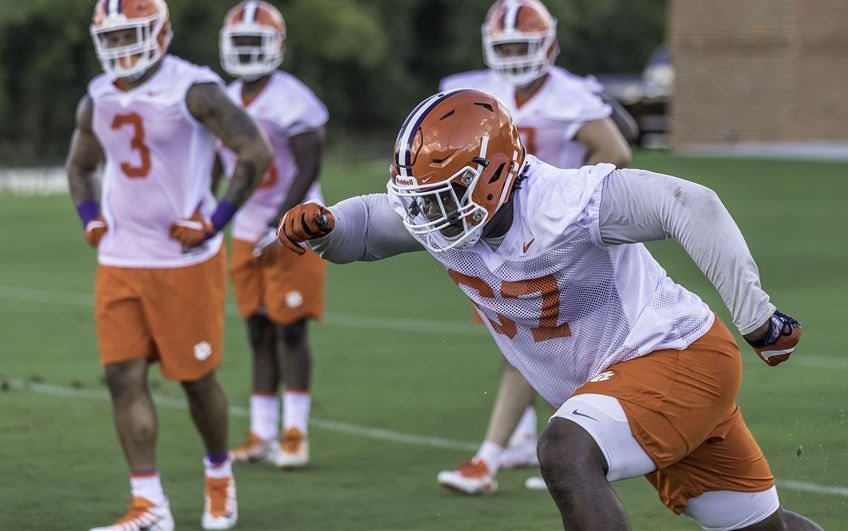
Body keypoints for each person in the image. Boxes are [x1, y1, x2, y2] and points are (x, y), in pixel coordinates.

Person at [276, 89, 820, 530]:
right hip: (630, 381)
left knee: (565, 451)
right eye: (423, 200)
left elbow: (691, 205)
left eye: (442, 197)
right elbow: (371, 225)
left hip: (675, 355)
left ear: (492, 176)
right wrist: (326, 227)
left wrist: (758, 317)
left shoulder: (566, 202)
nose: (429, 217)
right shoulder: (445, 212)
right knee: (759, 530)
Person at [66, 0, 272, 531]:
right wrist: (92, 218)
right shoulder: (99, 95)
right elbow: (80, 165)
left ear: (159, 32)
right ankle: (149, 504)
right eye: (111, 38)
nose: (122, 48)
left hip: (182, 261)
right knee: (121, 376)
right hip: (119, 259)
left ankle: (218, 476)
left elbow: (256, 148)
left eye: (132, 35)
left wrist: (215, 222)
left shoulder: (195, 89)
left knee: (197, 380)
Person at [436, 0, 632, 494]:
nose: (515, 57)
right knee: (537, 348)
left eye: (524, 45)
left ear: (549, 44)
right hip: (501, 239)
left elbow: (615, 150)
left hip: (553, 242)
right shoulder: (479, 91)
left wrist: (566, 205)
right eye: (507, 46)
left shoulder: (569, 96)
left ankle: (493, 458)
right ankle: (560, 450)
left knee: (533, 347)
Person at [217, 0, 329, 470]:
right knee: (257, 327)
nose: (245, 50)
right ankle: (261, 432)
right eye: (238, 41)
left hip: (293, 226)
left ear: (276, 46)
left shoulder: (293, 99)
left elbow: (308, 164)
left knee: (290, 328)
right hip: (245, 227)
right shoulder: (220, 97)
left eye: (253, 41)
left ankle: (295, 432)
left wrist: (283, 221)